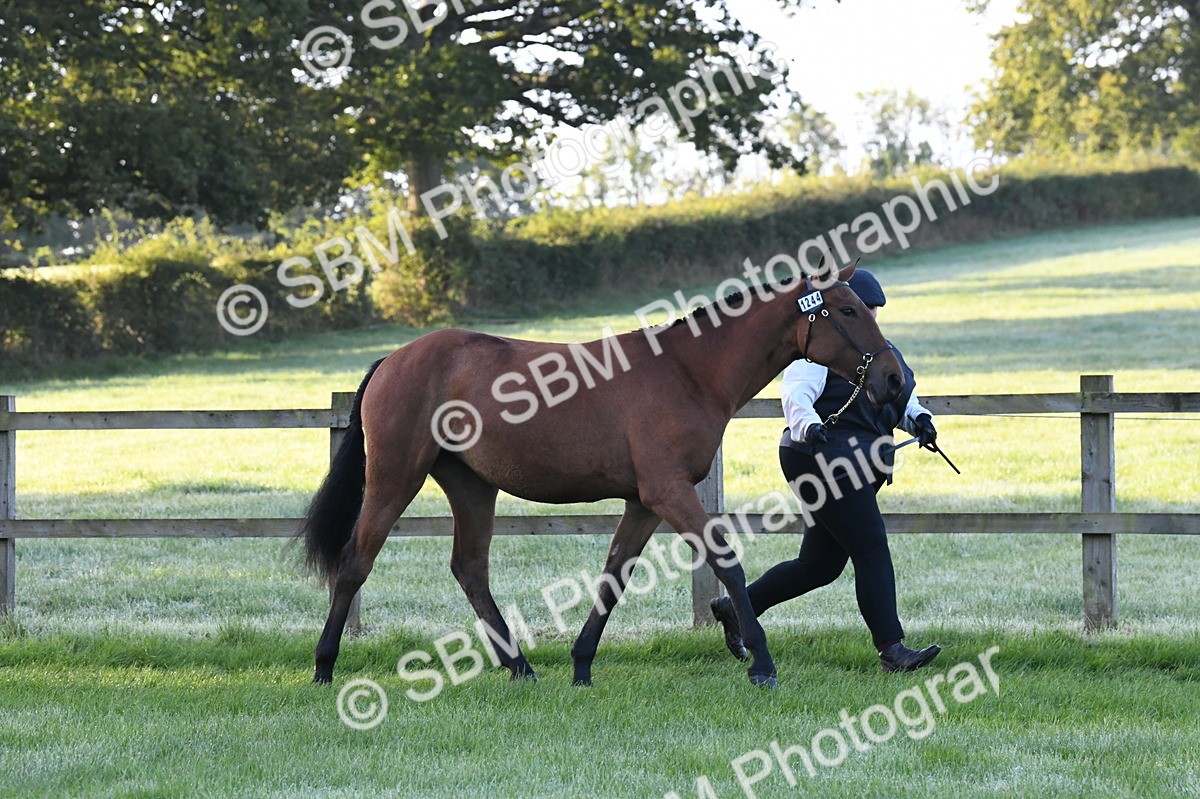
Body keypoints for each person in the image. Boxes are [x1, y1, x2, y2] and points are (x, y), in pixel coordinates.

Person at [711, 268, 942, 673]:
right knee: (872, 548)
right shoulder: (824, 350)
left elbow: (901, 400)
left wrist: (919, 420)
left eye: (872, 311)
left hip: (857, 461)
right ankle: (892, 649)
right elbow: (795, 394)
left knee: (819, 566)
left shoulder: (887, 355)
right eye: (863, 310)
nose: (869, 318)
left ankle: (736, 608)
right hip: (819, 456)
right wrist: (808, 426)